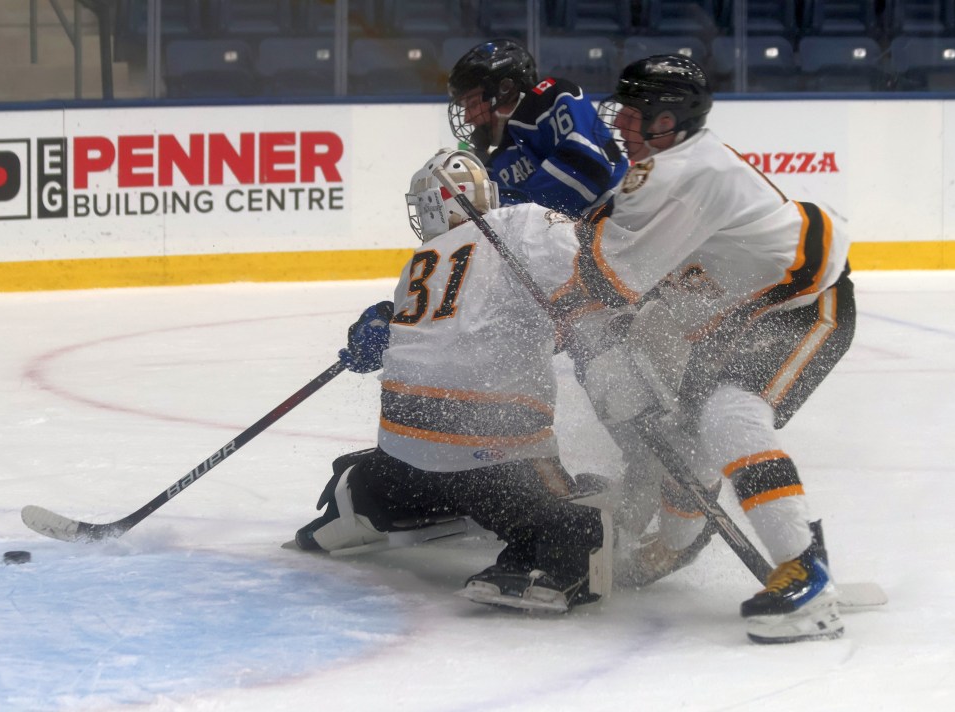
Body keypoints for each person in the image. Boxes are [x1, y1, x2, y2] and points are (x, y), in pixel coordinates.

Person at [566, 55, 855, 643]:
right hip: (738, 319)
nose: (621, 123)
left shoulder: (684, 172)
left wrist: (562, 295)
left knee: (730, 417)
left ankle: (807, 574)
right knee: (688, 441)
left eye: (635, 114)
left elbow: (607, 281)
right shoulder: (664, 167)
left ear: (668, 121)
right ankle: (674, 548)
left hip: (801, 305)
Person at [294, 148, 611, 613]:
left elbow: (445, 339)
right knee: (552, 509)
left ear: (432, 206)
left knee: (395, 473)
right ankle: (562, 547)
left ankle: (360, 497)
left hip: (403, 453)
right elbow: (602, 270)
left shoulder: (421, 262)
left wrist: (381, 328)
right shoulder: (522, 223)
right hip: (488, 453)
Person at [447, 39, 627, 219]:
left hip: (622, 216)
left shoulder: (550, 97)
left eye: (472, 104)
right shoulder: (498, 163)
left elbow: (589, 167)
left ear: (505, 89)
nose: (467, 118)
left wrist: (522, 209)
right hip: (587, 230)